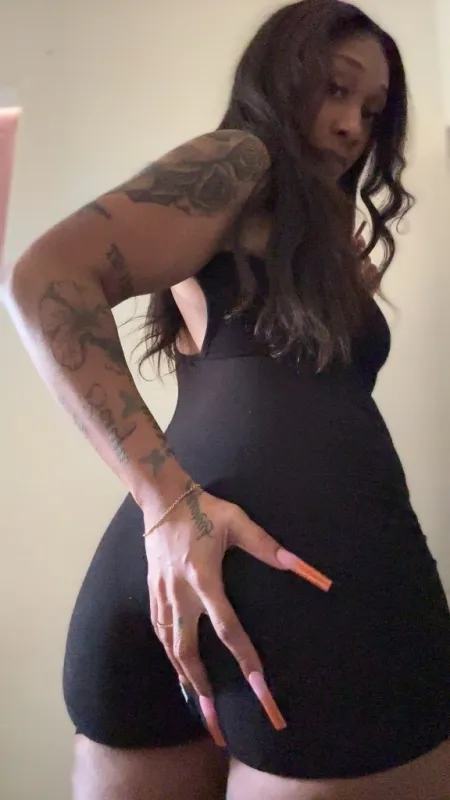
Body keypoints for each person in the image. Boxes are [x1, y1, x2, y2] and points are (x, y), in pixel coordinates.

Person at [4, 0, 450, 797]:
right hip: (299, 583)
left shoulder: (296, 226)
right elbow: (46, 277)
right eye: (335, 88)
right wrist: (170, 504)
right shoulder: (242, 157)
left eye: (372, 110)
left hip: (174, 577)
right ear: (280, 76)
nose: (352, 126)